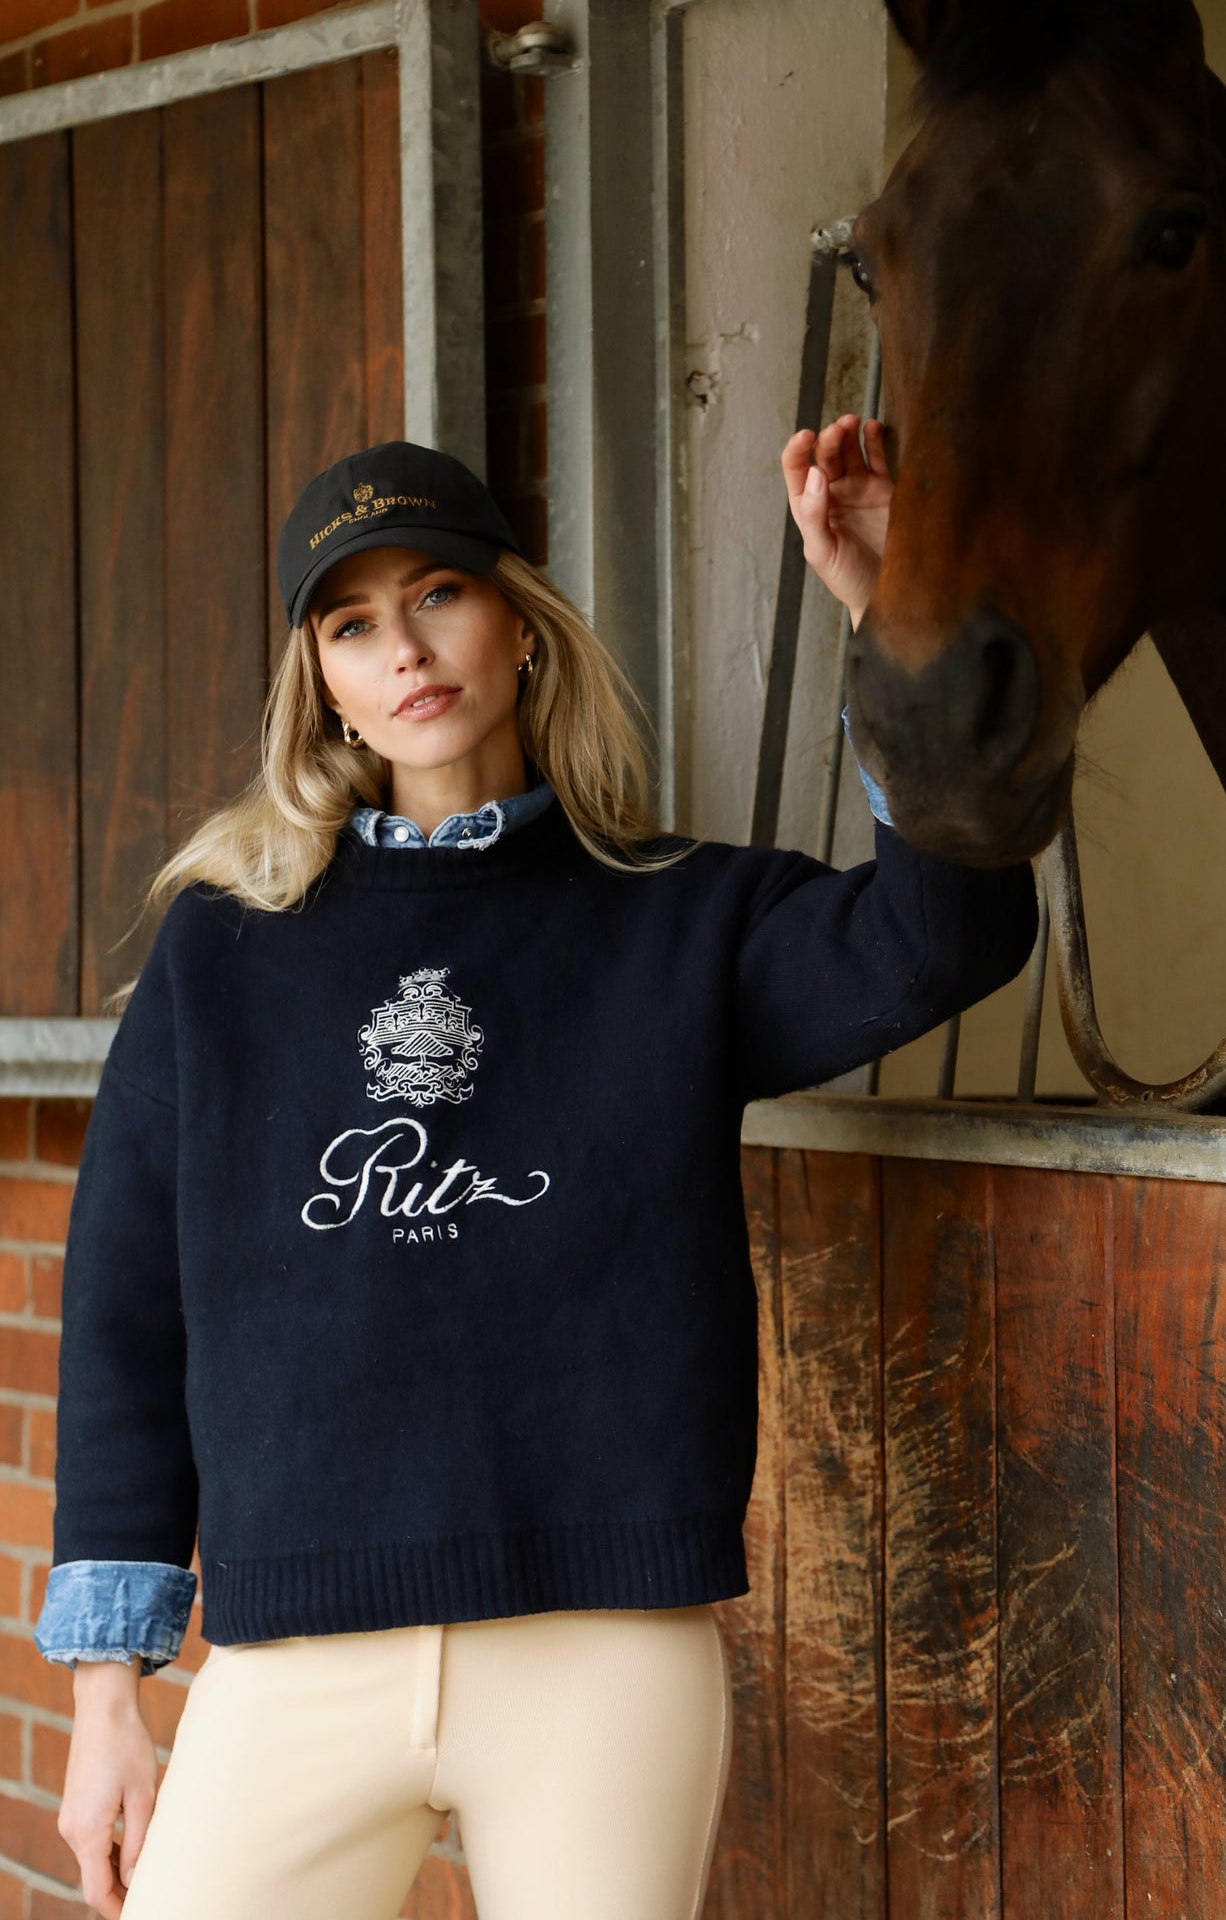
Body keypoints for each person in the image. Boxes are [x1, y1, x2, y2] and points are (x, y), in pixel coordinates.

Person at [34, 416, 1038, 1920]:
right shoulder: (224, 952)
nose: (407, 649)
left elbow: (942, 938)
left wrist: (896, 611)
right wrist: (107, 1696)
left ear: (519, 621)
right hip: (295, 1657)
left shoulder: (674, 922)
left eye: (437, 592)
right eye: (354, 623)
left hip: (601, 1655)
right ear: (324, 682)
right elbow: (122, 1313)